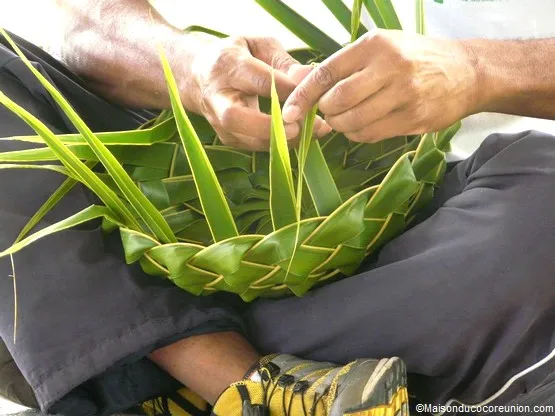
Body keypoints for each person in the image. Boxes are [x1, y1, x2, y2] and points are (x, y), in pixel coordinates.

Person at [1, 0, 555, 415]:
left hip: (422, 232)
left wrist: (481, 70)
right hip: (160, 232)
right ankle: (236, 382)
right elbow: (81, 20)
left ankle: (157, 380)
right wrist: (191, 66)